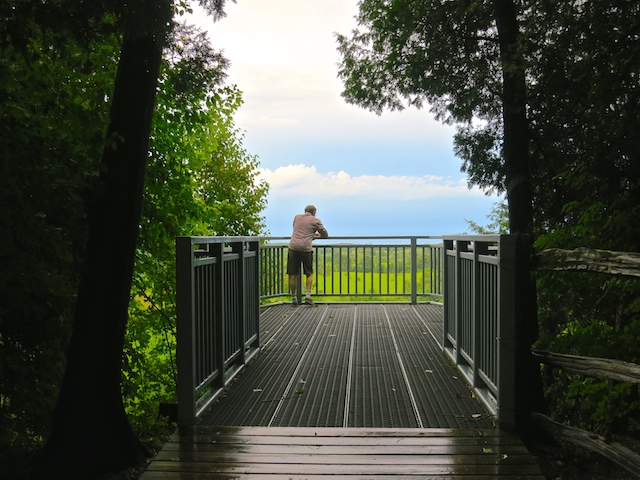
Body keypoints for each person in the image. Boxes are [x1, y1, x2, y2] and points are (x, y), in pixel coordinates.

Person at [287, 205, 328, 305]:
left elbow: (299, 231)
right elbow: (325, 234)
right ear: (314, 212)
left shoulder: (297, 217)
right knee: (309, 273)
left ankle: (294, 298)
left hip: (293, 247)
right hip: (305, 248)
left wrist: (310, 234)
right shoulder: (315, 220)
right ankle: (308, 296)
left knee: (292, 274)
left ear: (305, 211)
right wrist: (314, 235)